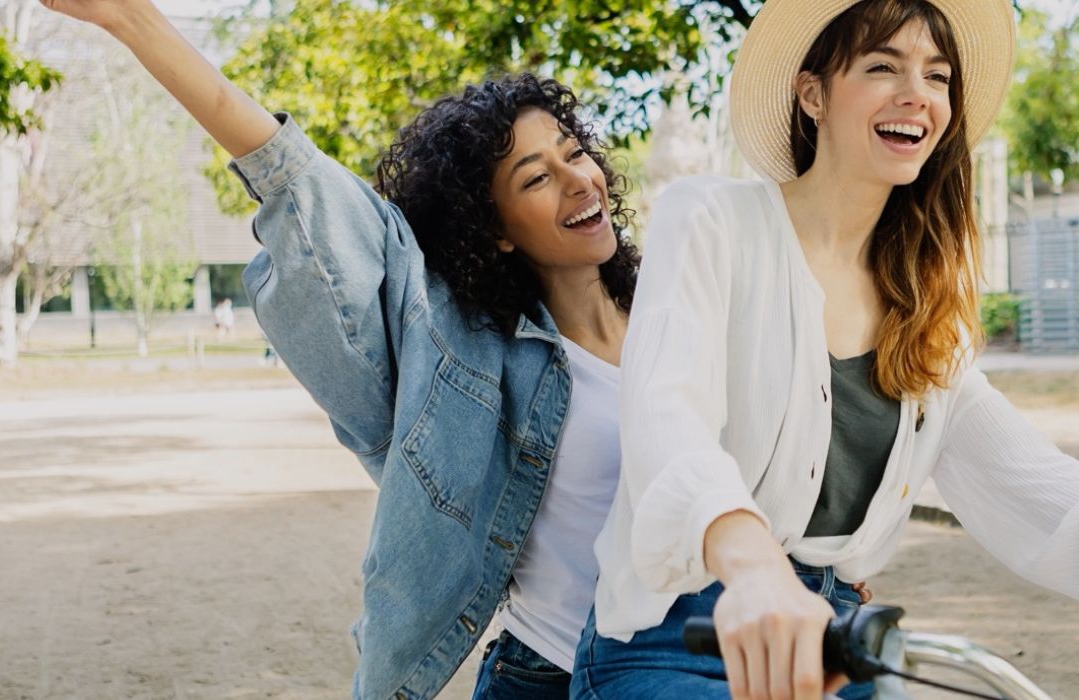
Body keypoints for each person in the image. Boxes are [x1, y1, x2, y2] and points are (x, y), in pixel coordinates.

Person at [571, 1, 1079, 699]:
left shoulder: (924, 303)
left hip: (838, 647)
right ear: (812, 92)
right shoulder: (712, 221)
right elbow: (667, 423)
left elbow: (1032, 481)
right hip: (679, 637)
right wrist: (754, 571)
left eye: (938, 74)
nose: (918, 93)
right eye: (883, 66)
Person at [40, 2, 639, 698]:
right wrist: (136, 23)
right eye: (536, 178)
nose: (579, 180)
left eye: (576, 153)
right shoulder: (471, 357)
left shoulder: (681, 312)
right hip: (548, 676)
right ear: (496, 231)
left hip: (690, 665)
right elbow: (308, 192)